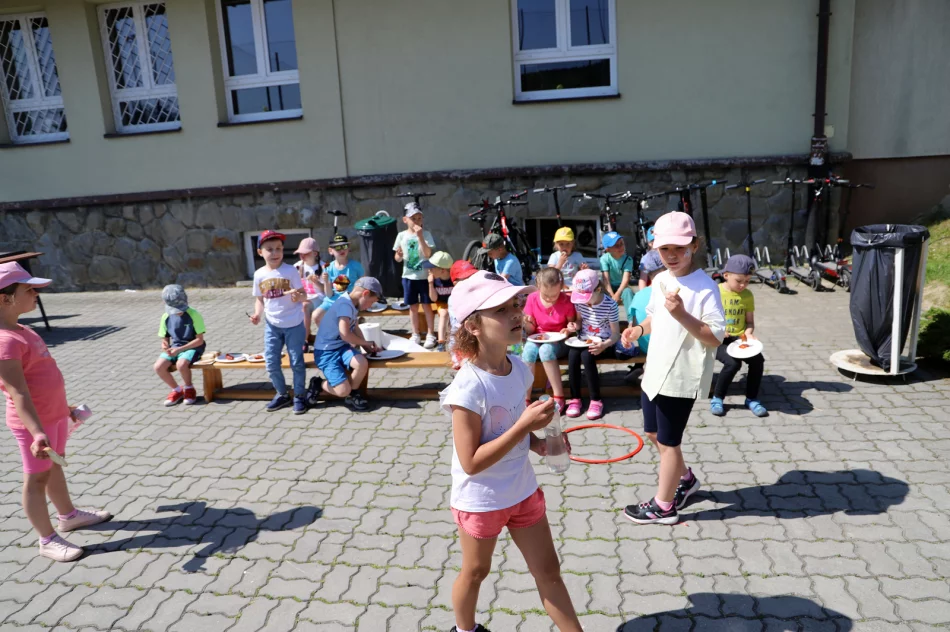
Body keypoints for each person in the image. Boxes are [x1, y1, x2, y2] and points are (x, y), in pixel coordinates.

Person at [441, 270, 583, 632]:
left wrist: (540, 443)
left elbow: (512, 434)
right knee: (475, 573)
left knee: (549, 572)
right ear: (473, 326)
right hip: (482, 501)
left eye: (516, 304)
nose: (517, 313)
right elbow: (471, 462)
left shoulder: (519, 370)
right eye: (502, 310)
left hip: (522, 492)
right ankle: (465, 629)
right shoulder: (468, 389)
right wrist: (524, 427)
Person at [0, 262, 112, 562]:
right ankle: (47, 539)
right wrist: (37, 433)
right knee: (36, 479)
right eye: (29, 289)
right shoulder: (5, 341)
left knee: (54, 467)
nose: (36, 294)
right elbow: (18, 392)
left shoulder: (21, 329)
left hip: (53, 417)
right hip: (32, 427)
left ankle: (69, 516)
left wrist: (65, 408)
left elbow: (41, 379)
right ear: (4, 298)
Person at [619, 212, 725, 525]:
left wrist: (682, 316)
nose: (672, 255)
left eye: (679, 248)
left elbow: (715, 337)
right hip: (654, 372)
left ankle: (664, 506)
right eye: (664, 249)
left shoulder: (705, 287)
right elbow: (653, 317)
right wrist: (637, 331)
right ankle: (687, 480)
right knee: (653, 433)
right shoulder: (660, 279)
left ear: (694, 245)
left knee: (668, 444)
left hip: (681, 378)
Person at [248, 230, 309, 415]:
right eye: (269, 249)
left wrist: (298, 297)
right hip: (272, 325)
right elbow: (260, 299)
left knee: (297, 362)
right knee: (271, 363)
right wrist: (257, 314)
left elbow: (303, 295)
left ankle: (299, 395)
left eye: (278, 249)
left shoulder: (290, 271)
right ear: (260, 252)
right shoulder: (259, 275)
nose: (274, 253)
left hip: (294, 325)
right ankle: (282, 394)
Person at [309, 277, 382, 412]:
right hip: (326, 353)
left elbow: (354, 328)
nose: (370, 306)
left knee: (362, 362)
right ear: (365, 293)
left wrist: (366, 347)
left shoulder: (352, 303)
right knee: (342, 391)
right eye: (371, 302)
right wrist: (365, 342)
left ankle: (353, 394)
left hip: (341, 348)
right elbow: (345, 335)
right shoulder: (345, 305)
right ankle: (318, 384)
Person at [565, 269, 626, 421]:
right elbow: (580, 321)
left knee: (587, 355)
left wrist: (604, 345)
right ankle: (575, 398)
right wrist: (574, 326)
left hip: (605, 342)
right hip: (584, 339)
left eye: (586, 296)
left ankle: (595, 400)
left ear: (598, 289)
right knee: (572, 355)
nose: (583, 300)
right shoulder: (581, 303)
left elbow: (615, 335)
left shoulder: (610, 305)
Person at [710, 254, 767, 418]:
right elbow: (703, 318)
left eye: (747, 281)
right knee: (733, 363)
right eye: (739, 280)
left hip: (739, 339)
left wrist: (749, 334)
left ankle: (751, 399)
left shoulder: (748, 296)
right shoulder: (715, 291)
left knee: (758, 361)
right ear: (726, 275)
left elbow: (749, 322)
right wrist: (718, 329)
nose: (743, 285)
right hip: (718, 339)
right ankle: (718, 398)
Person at [521, 268, 577, 414]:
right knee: (528, 350)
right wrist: (527, 322)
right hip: (538, 338)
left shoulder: (566, 301)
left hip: (560, 341)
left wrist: (568, 329)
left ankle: (559, 395)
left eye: (555, 295)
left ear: (561, 287)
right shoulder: (532, 299)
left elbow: (572, 327)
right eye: (546, 295)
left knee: (546, 350)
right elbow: (530, 331)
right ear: (538, 286)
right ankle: (525, 398)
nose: (550, 299)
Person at [153, 285, 207, 406]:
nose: (178, 312)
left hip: (193, 346)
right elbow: (164, 338)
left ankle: (189, 388)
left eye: (180, 308)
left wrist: (179, 350)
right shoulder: (166, 316)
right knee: (158, 367)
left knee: (181, 364)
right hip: (176, 347)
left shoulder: (194, 314)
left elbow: (199, 340)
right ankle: (177, 390)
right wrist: (165, 346)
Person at [394, 203, 437, 349]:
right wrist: (398, 255)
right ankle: (415, 334)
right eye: (414, 218)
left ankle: (431, 334)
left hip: (424, 276)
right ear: (405, 220)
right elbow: (397, 258)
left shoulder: (426, 235)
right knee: (412, 307)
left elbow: (427, 254)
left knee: (427, 306)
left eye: (419, 218)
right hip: (408, 276)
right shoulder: (401, 236)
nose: (417, 221)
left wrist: (420, 237)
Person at [313, 234, 363, 330]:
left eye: (344, 246)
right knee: (316, 316)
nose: (341, 250)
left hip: (349, 300)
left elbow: (364, 283)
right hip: (332, 300)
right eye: (337, 247)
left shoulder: (356, 266)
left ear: (348, 248)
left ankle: (345, 334)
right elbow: (328, 295)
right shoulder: (328, 268)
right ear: (330, 251)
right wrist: (326, 282)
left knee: (343, 319)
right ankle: (330, 335)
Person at [293, 237, 325, 350]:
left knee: (305, 306)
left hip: (320, 299)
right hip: (304, 299)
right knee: (303, 306)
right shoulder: (297, 266)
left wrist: (316, 282)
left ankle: (305, 340)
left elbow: (327, 290)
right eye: (300, 253)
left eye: (305, 253)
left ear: (315, 253)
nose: (302, 256)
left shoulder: (324, 267)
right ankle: (304, 339)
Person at [599, 231, 637, 323]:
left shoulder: (628, 259)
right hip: (609, 287)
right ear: (608, 249)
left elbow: (626, 280)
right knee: (600, 294)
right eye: (616, 246)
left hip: (622, 287)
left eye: (621, 244)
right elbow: (606, 280)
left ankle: (631, 321)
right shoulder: (604, 259)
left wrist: (617, 294)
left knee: (628, 292)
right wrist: (612, 295)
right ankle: (603, 321)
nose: (621, 247)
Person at [447, 260, 479, 367]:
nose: (470, 281)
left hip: (476, 338)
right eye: (466, 279)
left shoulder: (475, 293)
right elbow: (456, 327)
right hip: (462, 340)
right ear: (455, 283)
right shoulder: (454, 299)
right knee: (467, 366)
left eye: (472, 277)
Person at [424, 251, 455, 352]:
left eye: (432, 268)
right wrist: (430, 283)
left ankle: (452, 340)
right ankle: (441, 342)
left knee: (453, 315)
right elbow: (433, 299)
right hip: (441, 303)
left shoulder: (454, 279)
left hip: (454, 303)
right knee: (444, 313)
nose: (429, 270)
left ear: (442, 270)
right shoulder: (434, 279)